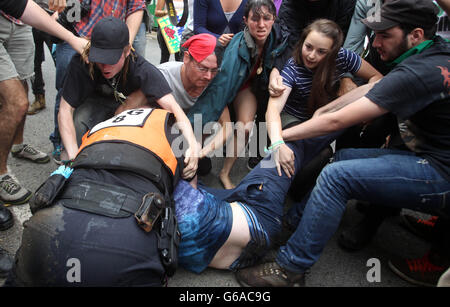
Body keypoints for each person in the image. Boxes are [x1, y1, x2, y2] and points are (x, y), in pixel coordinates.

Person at [235, 0, 450, 287]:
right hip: (429, 152)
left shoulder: (415, 72)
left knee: (337, 177)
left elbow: (337, 121)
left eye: (385, 35)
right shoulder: (434, 52)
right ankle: (294, 222)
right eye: (375, 34)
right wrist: (326, 110)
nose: (375, 43)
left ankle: (291, 269)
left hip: (440, 170)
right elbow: (374, 85)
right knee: (342, 158)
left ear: (417, 35)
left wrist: (279, 138)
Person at [6, 106, 186, 286]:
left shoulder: (99, 128)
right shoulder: (175, 128)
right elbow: (193, 174)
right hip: (127, 244)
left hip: (46, 230)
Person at [58, 17, 199, 179]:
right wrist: (73, 157)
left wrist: (192, 143)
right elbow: (65, 110)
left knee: (151, 115)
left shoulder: (141, 68)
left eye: (111, 59)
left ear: (127, 51)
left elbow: (174, 108)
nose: (105, 66)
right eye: (100, 59)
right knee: (76, 131)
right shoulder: (82, 61)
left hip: (126, 110)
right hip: (93, 107)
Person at [187, 0, 288, 189]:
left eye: (267, 18)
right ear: (245, 20)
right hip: (228, 82)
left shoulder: (279, 37)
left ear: (274, 19)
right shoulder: (237, 46)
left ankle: (225, 173)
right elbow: (219, 88)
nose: (261, 24)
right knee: (207, 117)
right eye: (255, 19)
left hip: (248, 86)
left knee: (246, 127)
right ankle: (189, 161)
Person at [266, 18, 382, 178]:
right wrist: (278, 142)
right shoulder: (293, 68)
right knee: (318, 153)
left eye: (321, 51)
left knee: (351, 131)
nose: (312, 55)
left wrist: (364, 101)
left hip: (323, 113)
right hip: (293, 116)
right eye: (308, 47)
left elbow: (377, 78)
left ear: (334, 52)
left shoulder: (344, 57)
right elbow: (273, 110)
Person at [50, 0, 146, 164]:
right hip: (76, 32)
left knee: (110, 86)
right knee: (67, 90)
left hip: (113, 41)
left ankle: (102, 140)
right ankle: (61, 142)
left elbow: (136, 6)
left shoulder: (143, 68)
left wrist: (122, 47)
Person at [157, 33, 230, 174]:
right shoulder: (163, 75)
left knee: (203, 169)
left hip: (192, 143)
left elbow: (226, 126)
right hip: (162, 137)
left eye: (214, 70)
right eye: (202, 68)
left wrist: (200, 153)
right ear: (186, 58)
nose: (208, 76)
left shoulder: (214, 84)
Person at [27, 0, 56, 115]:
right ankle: (39, 98)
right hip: (31, 17)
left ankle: (67, 103)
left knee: (60, 62)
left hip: (53, 16)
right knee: (34, 62)